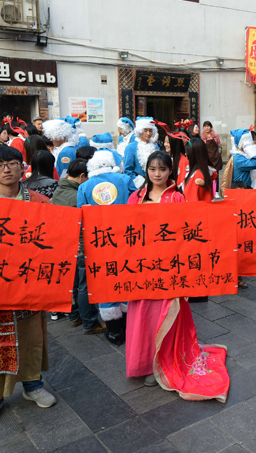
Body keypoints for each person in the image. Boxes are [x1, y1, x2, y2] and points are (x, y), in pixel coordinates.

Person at [125, 151, 230, 400]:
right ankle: (143, 362)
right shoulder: (135, 196)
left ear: (170, 171)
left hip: (169, 268)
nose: (157, 174)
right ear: (147, 171)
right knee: (143, 314)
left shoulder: (177, 198)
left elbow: (187, 236)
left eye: (162, 169)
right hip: (142, 267)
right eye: (153, 169)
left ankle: (161, 363)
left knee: (163, 315)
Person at [0, 145, 56, 429]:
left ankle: (33, 385)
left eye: (12, 163)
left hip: (28, 284)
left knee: (32, 337)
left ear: (24, 167)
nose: (6, 169)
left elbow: (54, 242)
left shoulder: (38, 201)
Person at [77, 150, 137, 344]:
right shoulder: (125, 179)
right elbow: (135, 206)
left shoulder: (84, 187)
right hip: (126, 238)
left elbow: (81, 217)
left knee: (104, 280)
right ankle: (128, 326)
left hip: (99, 241)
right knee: (126, 275)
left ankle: (113, 330)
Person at [51, 158, 105, 335]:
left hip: (64, 244)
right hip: (80, 245)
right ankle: (89, 322)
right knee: (85, 285)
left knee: (72, 284)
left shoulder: (60, 189)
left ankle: (75, 316)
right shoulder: (77, 195)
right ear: (83, 176)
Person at [124, 117, 159, 187]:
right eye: (145, 131)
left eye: (150, 130)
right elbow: (127, 170)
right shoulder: (131, 148)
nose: (148, 133)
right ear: (140, 131)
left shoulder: (155, 147)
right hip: (139, 185)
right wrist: (139, 182)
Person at [183, 138, 214, 202]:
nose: (186, 154)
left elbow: (191, 200)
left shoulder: (197, 175)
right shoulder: (204, 171)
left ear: (193, 155)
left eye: (187, 152)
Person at [201, 121, 223, 191]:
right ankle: (209, 190)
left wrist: (219, 154)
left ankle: (216, 191)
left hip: (216, 158)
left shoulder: (215, 135)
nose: (206, 128)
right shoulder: (202, 137)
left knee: (216, 175)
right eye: (205, 126)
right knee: (207, 175)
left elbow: (219, 146)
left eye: (208, 126)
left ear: (211, 127)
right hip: (207, 159)